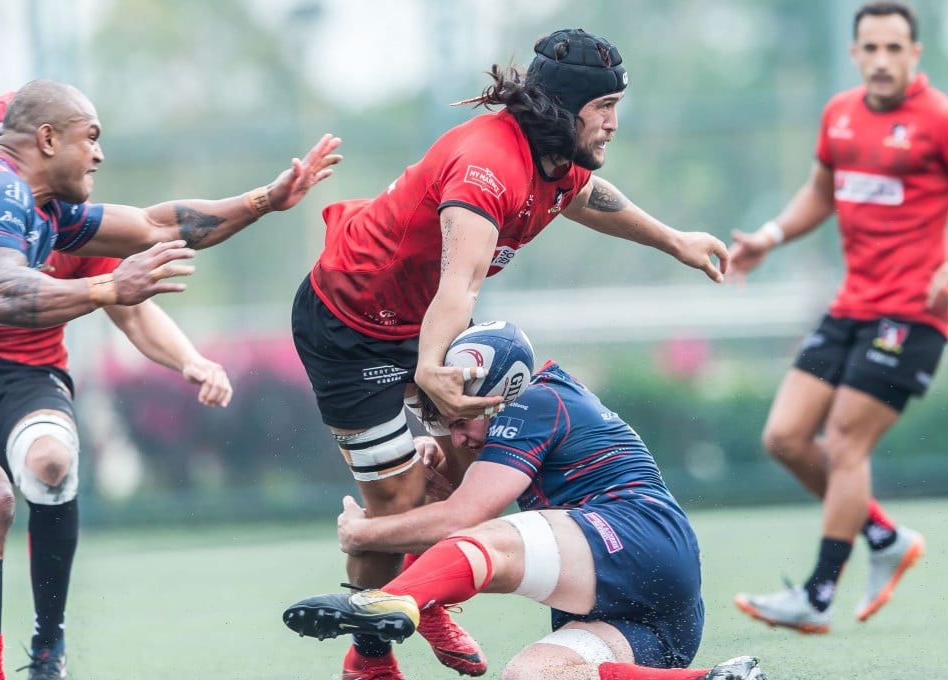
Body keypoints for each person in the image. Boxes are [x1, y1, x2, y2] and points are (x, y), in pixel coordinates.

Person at [290, 28, 728, 678]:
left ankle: (420, 587)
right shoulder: (487, 165)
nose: (613, 122)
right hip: (350, 324)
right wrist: (433, 366)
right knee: (401, 502)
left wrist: (674, 241)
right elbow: (458, 283)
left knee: (467, 459)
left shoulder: (558, 154)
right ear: (565, 107)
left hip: (421, 315)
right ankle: (375, 653)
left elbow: (584, 198)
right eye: (604, 105)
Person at [0, 78, 341, 680]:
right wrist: (110, 286)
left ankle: (28, 654)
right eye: (92, 137)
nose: (100, 154)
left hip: (22, 378)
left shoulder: (44, 209)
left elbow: (158, 226)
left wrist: (264, 199)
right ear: (47, 138)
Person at [282, 345, 767, 680]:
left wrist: (362, 534)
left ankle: (394, 601)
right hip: (663, 623)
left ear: (500, 392)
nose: (457, 438)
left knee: (499, 538)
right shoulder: (534, 412)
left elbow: (459, 523)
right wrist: (441, 487)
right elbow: (456, 520)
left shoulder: (534, 398)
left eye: (462, 419)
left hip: (638, 537)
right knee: (531, 674)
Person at [728, 1, 948, 633]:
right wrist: (769, 235)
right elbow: (821, 191)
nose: (881, 60)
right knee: (785, 438)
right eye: (870, 48)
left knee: (844, 443)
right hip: (849, 308)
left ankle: (816, 596)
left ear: (914, 55)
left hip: (914, 316)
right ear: (854, 53)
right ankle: (885, 537)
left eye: (895, 48)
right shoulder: (839, 114)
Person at [0, 91, 232, 680]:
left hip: (24, 376)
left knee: (47, 464)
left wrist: (190, 359)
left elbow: (133, 301)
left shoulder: (61, 219)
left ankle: (47, 640)